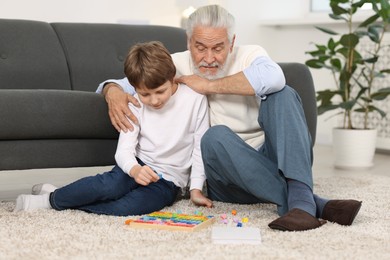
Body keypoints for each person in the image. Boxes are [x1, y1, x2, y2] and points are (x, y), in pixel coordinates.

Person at [96, 5, 362, 231]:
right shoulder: (174, 64)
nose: (208, 58)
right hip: (226, 176)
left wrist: (208, 85)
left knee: (283, 93)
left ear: (232, 43)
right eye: (200, 47)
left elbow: (275, 78)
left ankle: (302, 200)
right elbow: (129, 82)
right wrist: (112, 91)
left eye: (218, 48)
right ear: (189, 43)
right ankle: (310, 202)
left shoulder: (250, 54)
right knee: (215, 136)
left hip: (272, 159)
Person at [13, 41, 212, 215]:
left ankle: (63, 197)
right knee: (108, 186)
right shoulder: (134, 102)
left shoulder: (195, 99)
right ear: (134, 88)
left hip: (169, 181)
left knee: (127, 207)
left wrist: (195, 188)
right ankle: (50, 200)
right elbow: (124, 151)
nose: (154, 100)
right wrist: (134, 170)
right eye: (145, 94)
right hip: (136, 164)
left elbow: (198, 148)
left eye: (160, 91)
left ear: (173, 78)